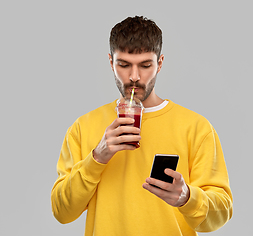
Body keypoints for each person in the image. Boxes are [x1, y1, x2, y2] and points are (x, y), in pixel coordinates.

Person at [51, 16, 233, 235]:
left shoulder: (196, 128)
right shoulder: (83, 127)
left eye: (145, 65)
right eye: (124, 65)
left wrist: (187, 197)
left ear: (160, 63)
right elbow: (62, 212)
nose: (134, 77)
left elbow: (221, 213)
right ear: (111, 62)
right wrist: (97, 157)